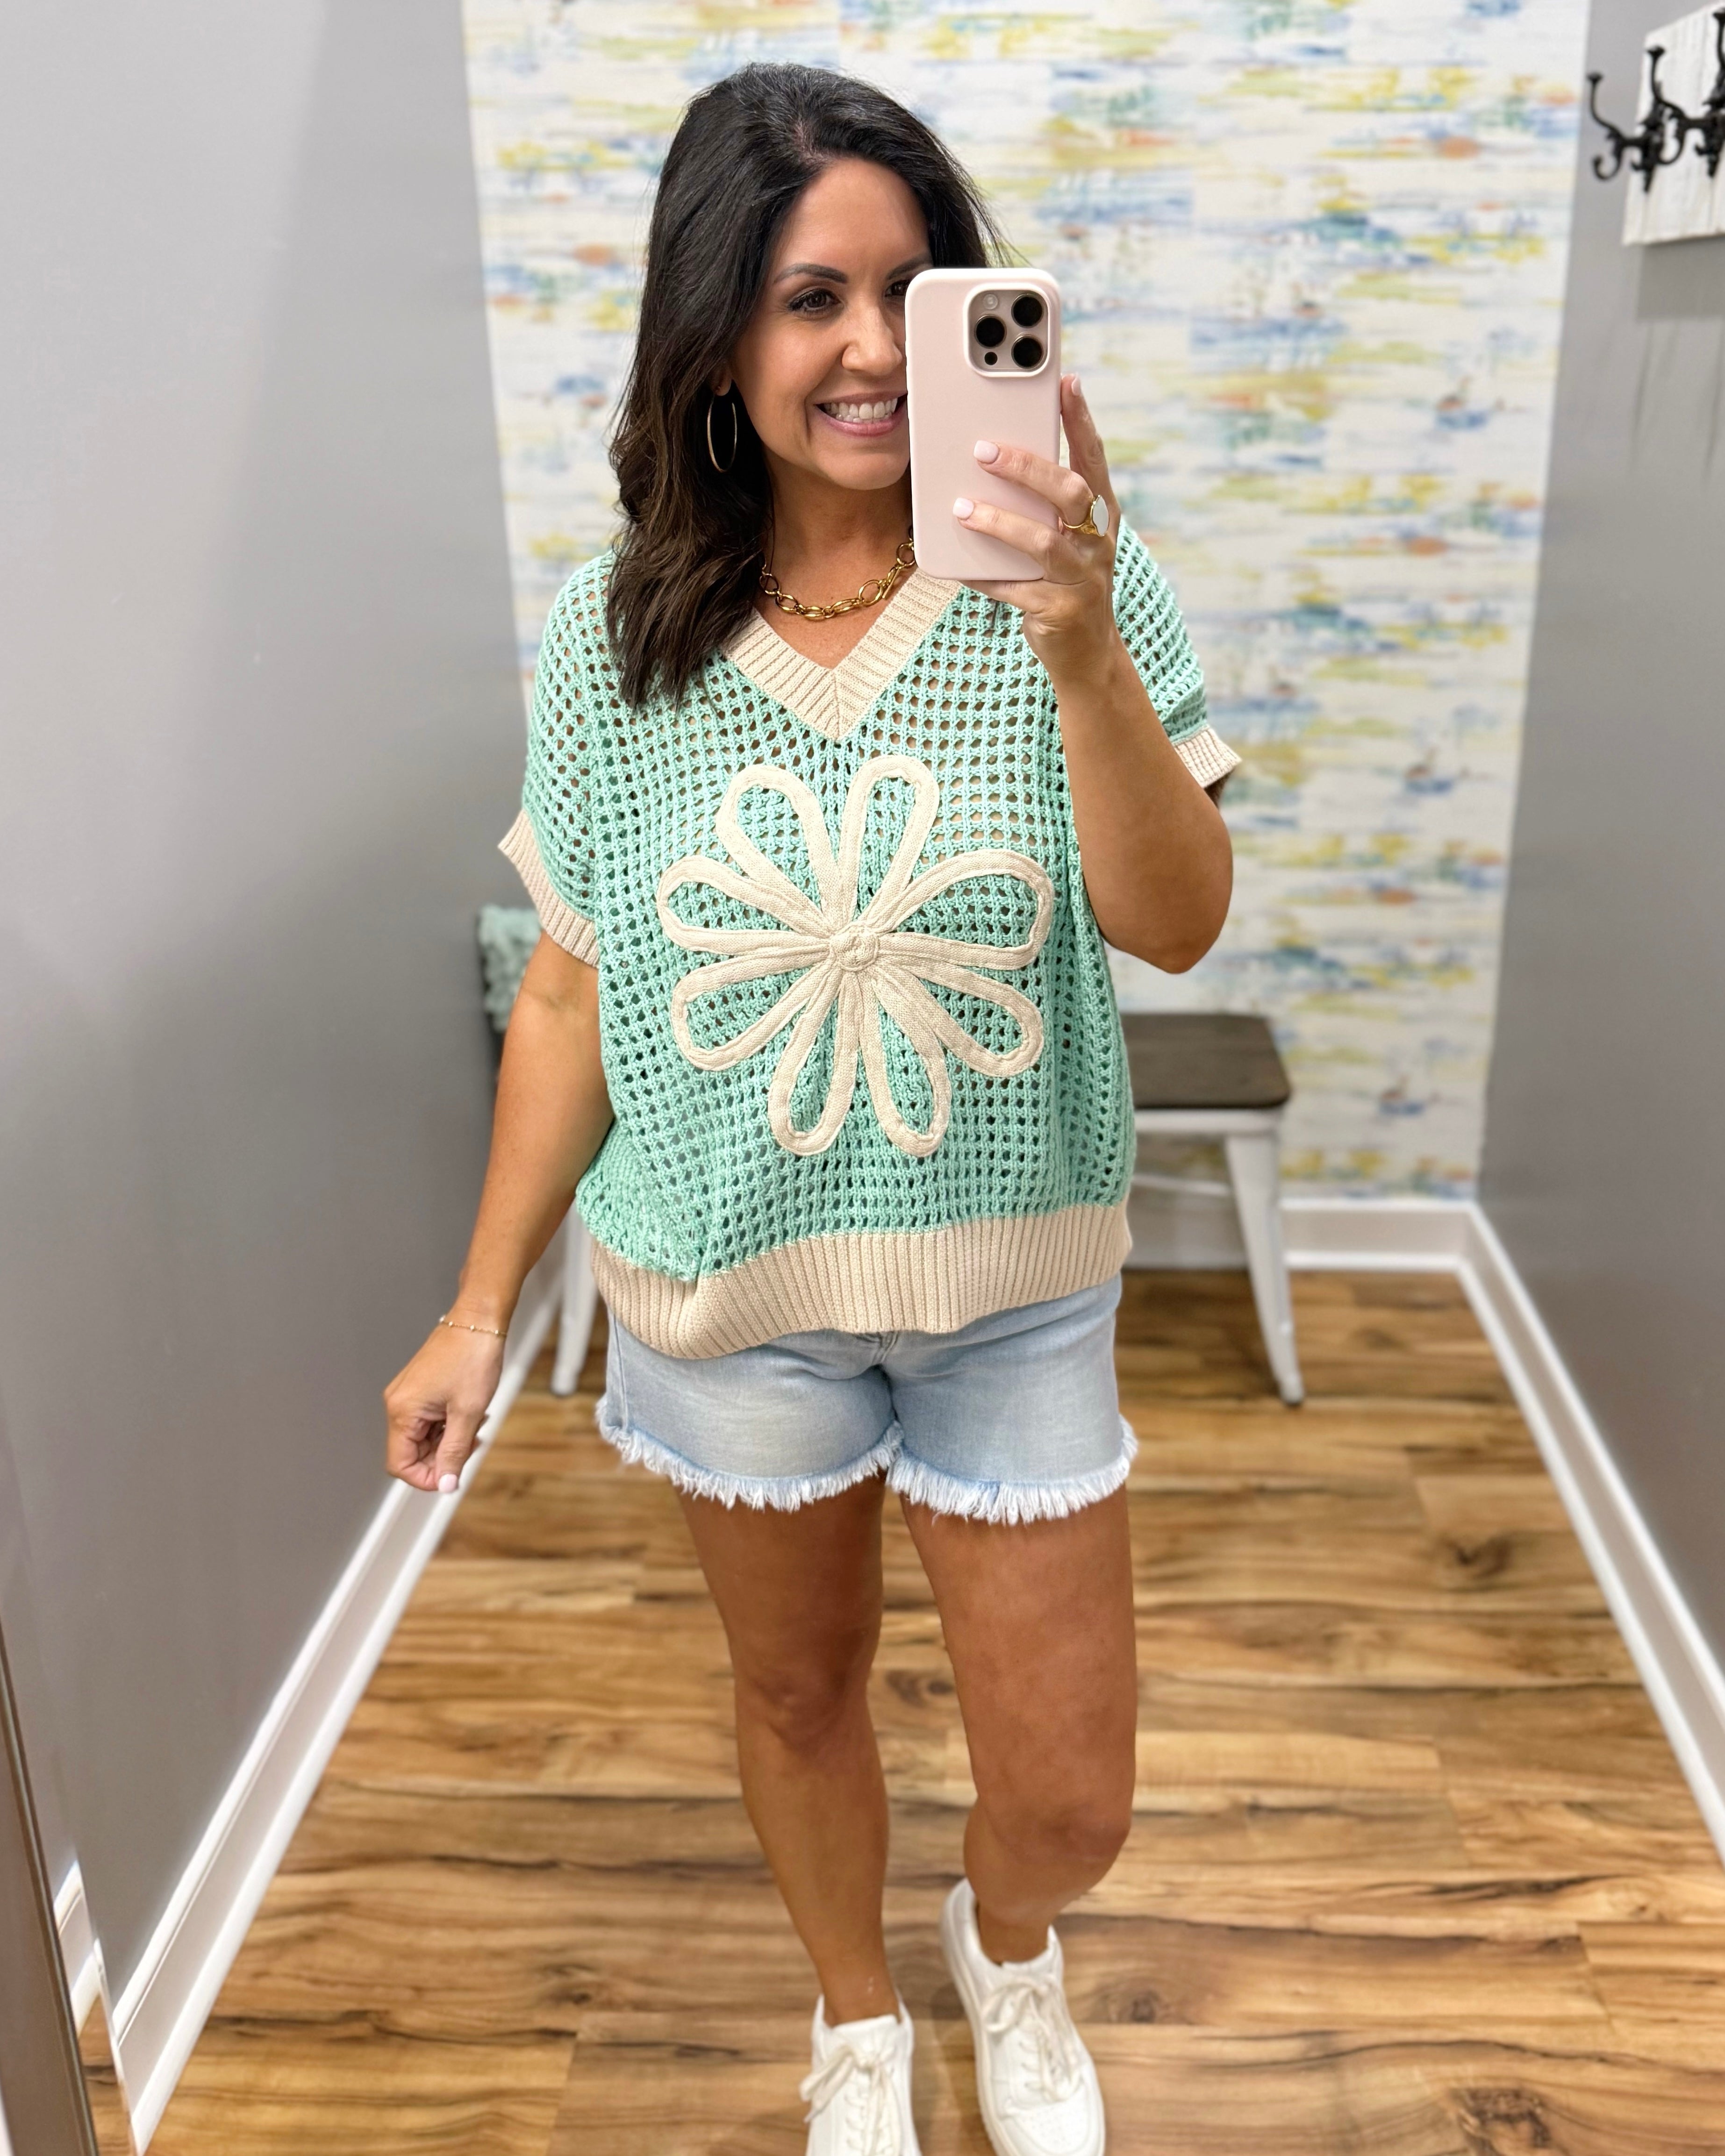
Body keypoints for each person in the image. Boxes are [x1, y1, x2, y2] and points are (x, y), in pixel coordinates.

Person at [384, 61, 1235, 2156]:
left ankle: (999, 1938)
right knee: (792, 1693)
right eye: (801, 297)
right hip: (727, 1286)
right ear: (712, 336)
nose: (866, 346)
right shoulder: (615, 635)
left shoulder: (1076, 584)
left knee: (1070, 1788)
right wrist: (479, 1307)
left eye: (910, 288)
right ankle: (853, 2015)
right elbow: (573, 986)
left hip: (1015, 1278)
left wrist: (1075, 652)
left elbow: (1179, 925)